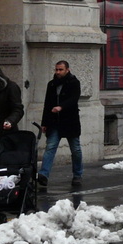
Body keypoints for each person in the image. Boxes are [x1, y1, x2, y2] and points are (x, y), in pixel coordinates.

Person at [39, 60, 83, 188]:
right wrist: (44, 122)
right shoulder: (52, 84)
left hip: (70, 121)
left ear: (67, 70)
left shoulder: (74, 82)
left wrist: (61, 107)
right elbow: (47, 104)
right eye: (56, 69)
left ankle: (77, 175)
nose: (58, 72)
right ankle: (44, 175)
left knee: (76, 149)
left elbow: (74, 99)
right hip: (54, 122)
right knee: (50, 148)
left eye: (61, 70)